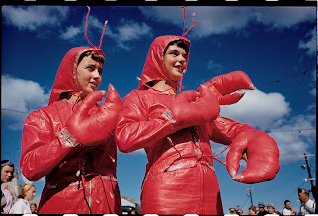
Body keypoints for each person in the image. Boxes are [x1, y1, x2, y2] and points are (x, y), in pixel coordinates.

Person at [115, 12, 280, 214]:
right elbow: (124, 138)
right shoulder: (139, 97)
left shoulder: (194, 102)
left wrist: (251, 136)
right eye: (174, 53)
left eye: (184, 56)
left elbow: (223, 126)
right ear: (158, 57)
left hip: (210, 191)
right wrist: (171, 119)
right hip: (166, 189)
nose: (182, 59)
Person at [20, 7, 122, 214]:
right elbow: (30, 168)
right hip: (64, 203)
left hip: (109, 205)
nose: (96, 76)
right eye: (90, 68)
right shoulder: (42, 116)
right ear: (72, 71)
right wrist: (68, 138)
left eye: (100, 71)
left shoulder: (106, 114)